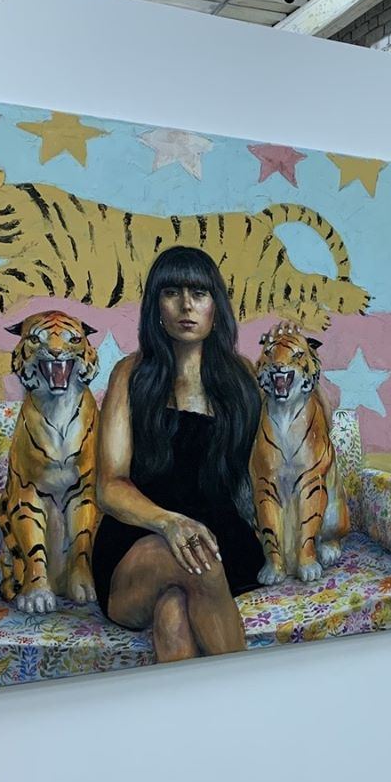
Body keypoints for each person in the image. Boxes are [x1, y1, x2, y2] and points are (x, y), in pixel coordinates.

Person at [93, 246, 264, 662]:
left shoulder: (243, 377)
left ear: (216, 306)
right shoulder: (131, 374)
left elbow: (278, 458)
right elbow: (110, 486)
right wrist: (170, 523)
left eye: (199, 293)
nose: (186, 305)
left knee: (173, 613)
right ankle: (252, 693)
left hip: (225, 541)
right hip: (138, 543)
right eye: (172, 293)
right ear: (156, 306)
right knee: (194, 557)